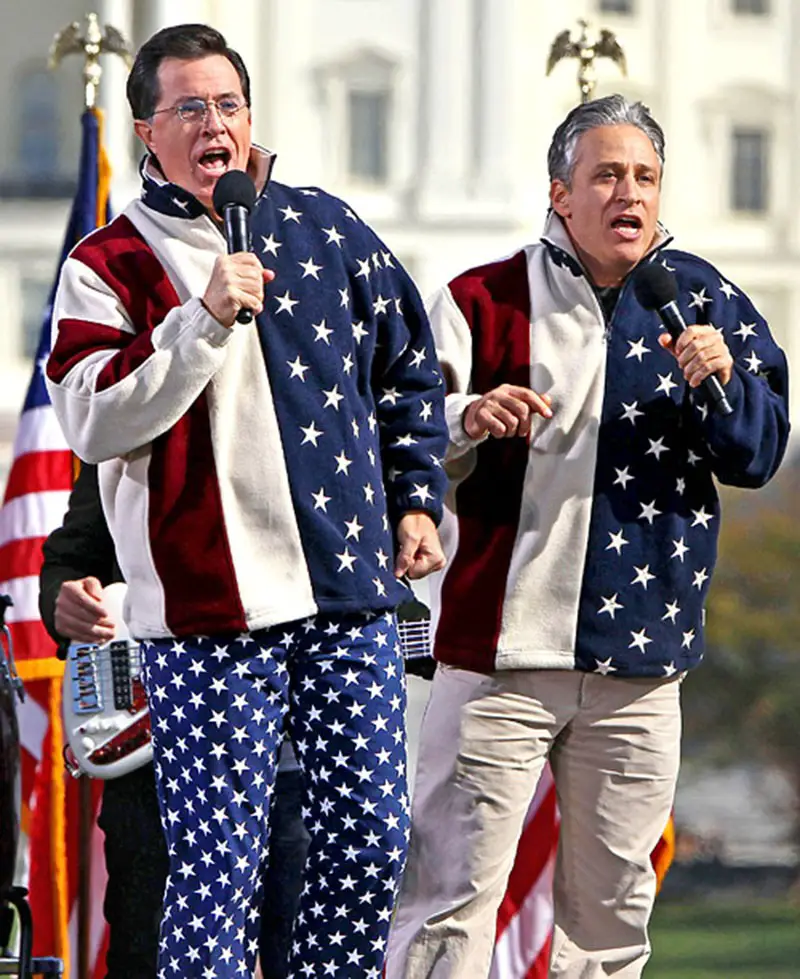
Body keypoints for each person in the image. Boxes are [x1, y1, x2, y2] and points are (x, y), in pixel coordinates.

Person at [45, 22, 448, 979]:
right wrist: (201, 319)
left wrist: (417, 499)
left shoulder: (327, 228)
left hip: (346, 597)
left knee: (371, 844)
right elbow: (93, 421)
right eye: (189, 107)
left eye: (228, 104)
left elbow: (408, 372)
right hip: (207, 612)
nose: (213, 124)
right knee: (217, 872)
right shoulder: (108, 264)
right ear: (150, 131)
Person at [386, 94, 790, 979]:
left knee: (611, 925)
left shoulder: (707, 301)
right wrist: (467, 417)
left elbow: (758, 453)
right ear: (560, 193)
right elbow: (400, 432)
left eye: (644, 176)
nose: (628, 193)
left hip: (641, 670)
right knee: (448, 903)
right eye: (606, 174)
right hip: (495, 658)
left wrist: (723, 381)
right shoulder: (479, 299)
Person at [39, 463, 310, 979]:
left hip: (288, 761)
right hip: (156, 759)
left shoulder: (317, 411)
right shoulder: (129, 418)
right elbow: (69, 560)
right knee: (146, 947)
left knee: (295, 950)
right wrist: (63, 602)